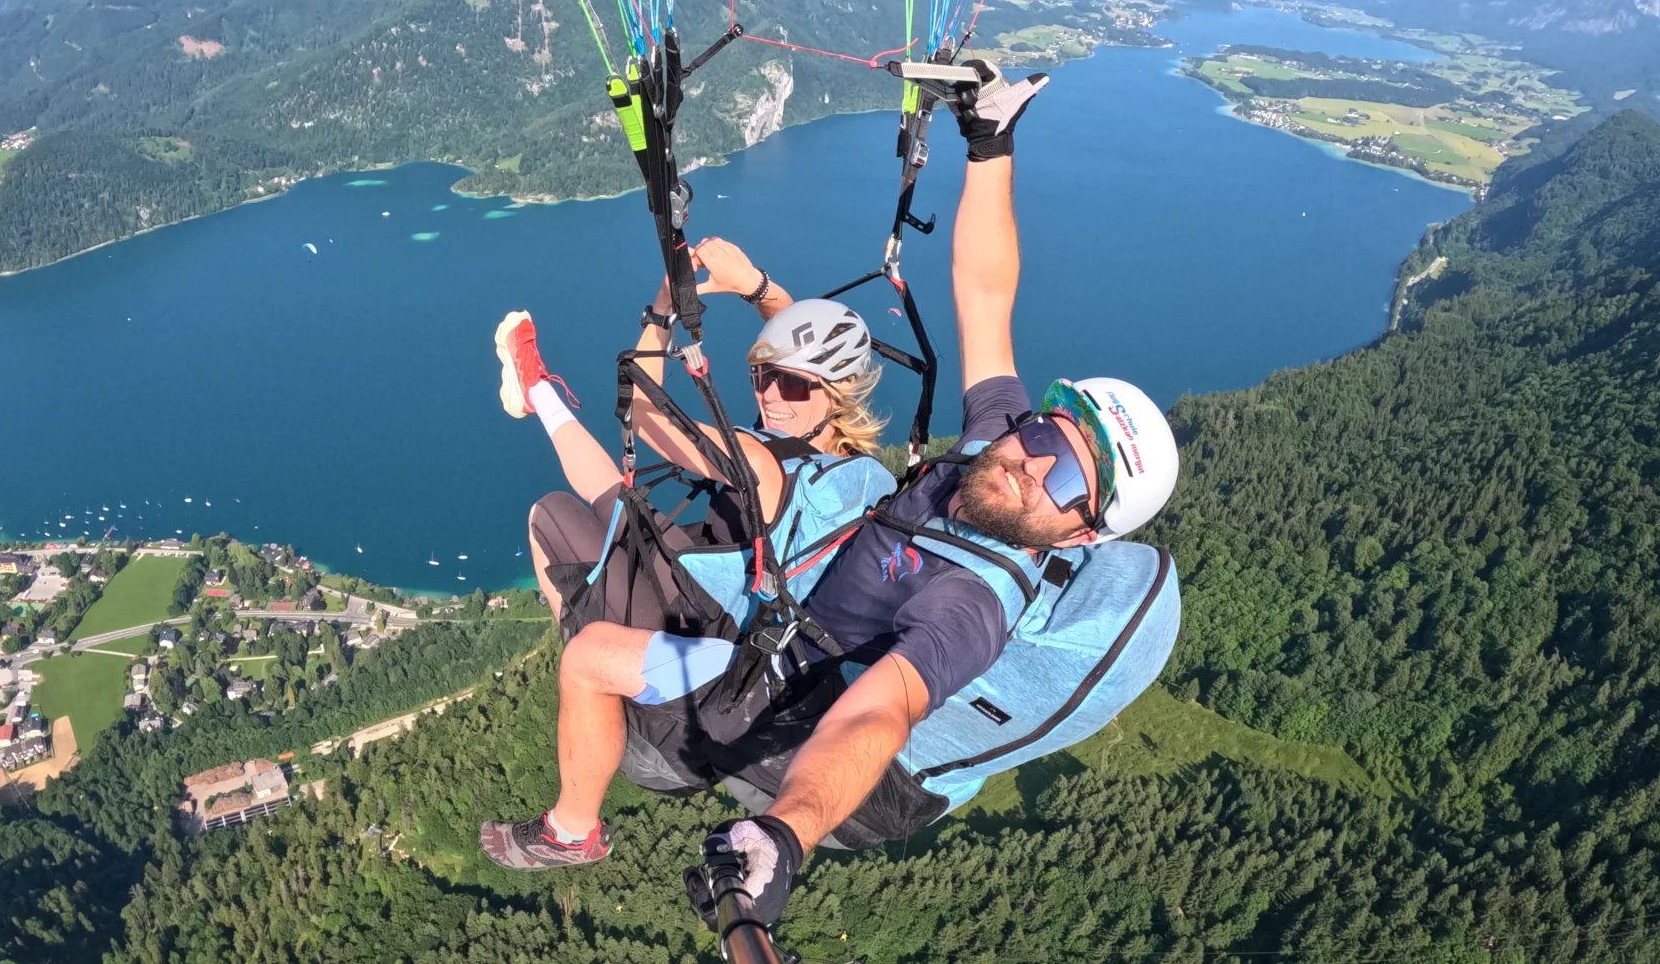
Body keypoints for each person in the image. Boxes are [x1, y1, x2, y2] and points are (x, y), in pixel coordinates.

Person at [480, 62, 1180, 922]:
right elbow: (984, 295)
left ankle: (573, 828)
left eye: (1066, 479)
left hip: (775, 697)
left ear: (1080, 534)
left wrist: (787, 833)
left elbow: (879, 714)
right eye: (1042, 435)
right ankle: (543, 401)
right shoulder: (990, 447)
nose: (1032, 463)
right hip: (768, 628)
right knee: (614, 517)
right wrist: (991, 140)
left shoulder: (973, 602)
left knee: (589, 642)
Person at [480, 240, 898, 869]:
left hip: (719, 669)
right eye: (761, 376)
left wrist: (664, 304)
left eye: (789, 384)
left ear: (834, 394)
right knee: (619, 505)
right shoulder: (859, 469)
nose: (770, 396)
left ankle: (573, 829)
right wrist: (758, 288)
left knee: (553, 526)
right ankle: (537, 389)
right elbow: (801, 351)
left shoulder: (760, 463)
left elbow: (644, 410)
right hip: (751, 624)